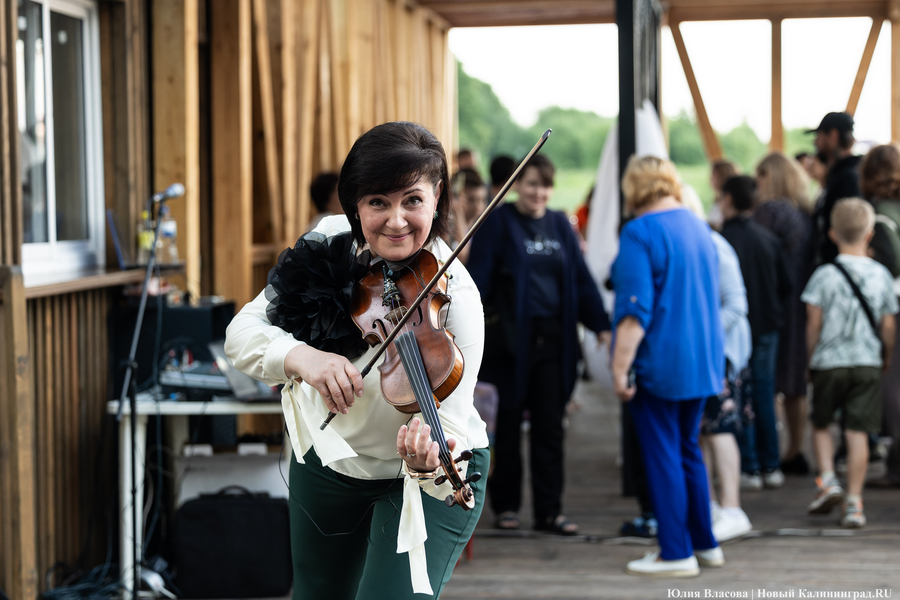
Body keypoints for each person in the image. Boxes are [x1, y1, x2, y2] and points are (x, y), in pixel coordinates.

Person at [224, 122, 490, 599]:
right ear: (354, 206)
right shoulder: (330, 242)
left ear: (437, 198)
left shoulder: (458, 299)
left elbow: (445, 432)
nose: (396, 220)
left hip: (419, 485)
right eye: (377, 202)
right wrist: (302, 357)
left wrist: (428, 460)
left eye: (412, 200)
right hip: (329, 464)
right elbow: (241, 334)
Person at [466, 153, 610, 536]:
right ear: (516, 186)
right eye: (531, 184)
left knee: (550, 428)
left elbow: (581, 280)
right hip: (510, 344)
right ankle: (506, 507)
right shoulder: (498, 222)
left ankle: (550, 512)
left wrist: (601, 325)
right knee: (508, 427)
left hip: (555, 343)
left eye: (545, 184)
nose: (539, 192)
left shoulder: (561, 225)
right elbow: (475, 283)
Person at [611, 156, 724, 577]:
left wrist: (620, 369)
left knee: (662, 456)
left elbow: (633, 311)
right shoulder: (699, 226)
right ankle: (704, 542)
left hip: (661, 362)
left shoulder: (640, 232)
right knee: (688, 450)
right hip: (703, 360)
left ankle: (675, 553)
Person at [802, 198, 898, 528]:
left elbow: (813, 321)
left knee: (821, 422)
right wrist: (885, 355)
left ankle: (828, 479)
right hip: (867, 362)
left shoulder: (824, 275)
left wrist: (809, 357)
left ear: (831, 234)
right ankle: (855, 503)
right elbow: (888, 324)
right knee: (858, 431)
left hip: (829, 361)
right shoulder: (882, 274)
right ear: (870, 233)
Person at [717, 175, 792, 491]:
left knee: (738, 395)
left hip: (734, 331)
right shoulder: (768, 238)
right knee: (764, 392)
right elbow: (787, 284)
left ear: (729, 199)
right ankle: (771, 464)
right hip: (767, 327)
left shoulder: (720, 241)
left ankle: (749, 465)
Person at [753, 153, 815, 475]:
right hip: (802, 302)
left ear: (771, 177)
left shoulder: (770, 212)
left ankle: (772, 453)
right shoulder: (805, 212)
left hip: (775, 305)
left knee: (768, 383)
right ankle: (795, 448)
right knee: (795, 383)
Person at [858, 144, 900, 489]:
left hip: (895, 306)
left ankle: (897, 466)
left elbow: (891, 265)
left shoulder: (881, 214)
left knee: (894, 388)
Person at [809, 112, 861, 265]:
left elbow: (851, 227)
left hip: (841, 268)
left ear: (832, 135)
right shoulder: (839, 174)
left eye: (819, 136)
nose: (816, 142)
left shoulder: (848, 176)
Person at [446, 167, 488, 264]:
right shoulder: (449, 226)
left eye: (482, 200)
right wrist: (458, 212)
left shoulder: (484, 227)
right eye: (471, 200)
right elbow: (461, 257)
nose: (478, 206)